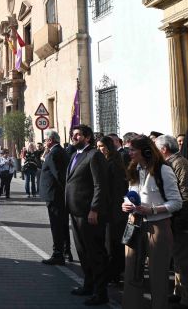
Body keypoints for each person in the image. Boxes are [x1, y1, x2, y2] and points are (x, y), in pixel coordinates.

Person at [121, 135, 182, 309]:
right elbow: (130, 193)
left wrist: (153, 210)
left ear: (145, 151)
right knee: (132, 271)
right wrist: (125, 203)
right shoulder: (134, 168)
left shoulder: (163, 170)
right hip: (134, 224)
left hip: (158, 227)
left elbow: (176, 202)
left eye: (132, 150)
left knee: (158, 275)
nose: (129, 153)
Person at [155, 135, 188, 308]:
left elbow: (186, 195)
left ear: (164, 149)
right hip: (178, 222)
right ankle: (180, 293)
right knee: (180, 262)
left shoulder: (180, 164)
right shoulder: (171, 163)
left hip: (185, 222)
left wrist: (171, 211)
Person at [66, 124, 109, 306]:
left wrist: (94, 209)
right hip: (75, 212)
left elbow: (100, 185)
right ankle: (88, 285)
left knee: (95, 253)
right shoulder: (75, 155)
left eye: (78, 135)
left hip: (88, 213)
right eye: (73, 135)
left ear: (88, 137)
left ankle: (101, 293)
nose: (74, 137)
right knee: (83, 252)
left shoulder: (94, 155)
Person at [96, 135, 127, 284]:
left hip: (114, 209)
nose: (100, 149)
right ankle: (114, 273)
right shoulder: (107, 161)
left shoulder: (113, 163)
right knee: (111, 243)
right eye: (98, 147)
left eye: (102, 146)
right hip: (111, 209)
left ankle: (114, 274)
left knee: (113, 244)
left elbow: (116, 189)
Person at [40, 130, 70, 266]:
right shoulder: (61, 151)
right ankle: (66, 251)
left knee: (57, 225)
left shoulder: (53, 154)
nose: (45, 143)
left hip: (54, 195)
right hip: (59, 195)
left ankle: (58, 254)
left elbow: (58, 175)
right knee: (62, 224)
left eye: (45, 140)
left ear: (50, 140)